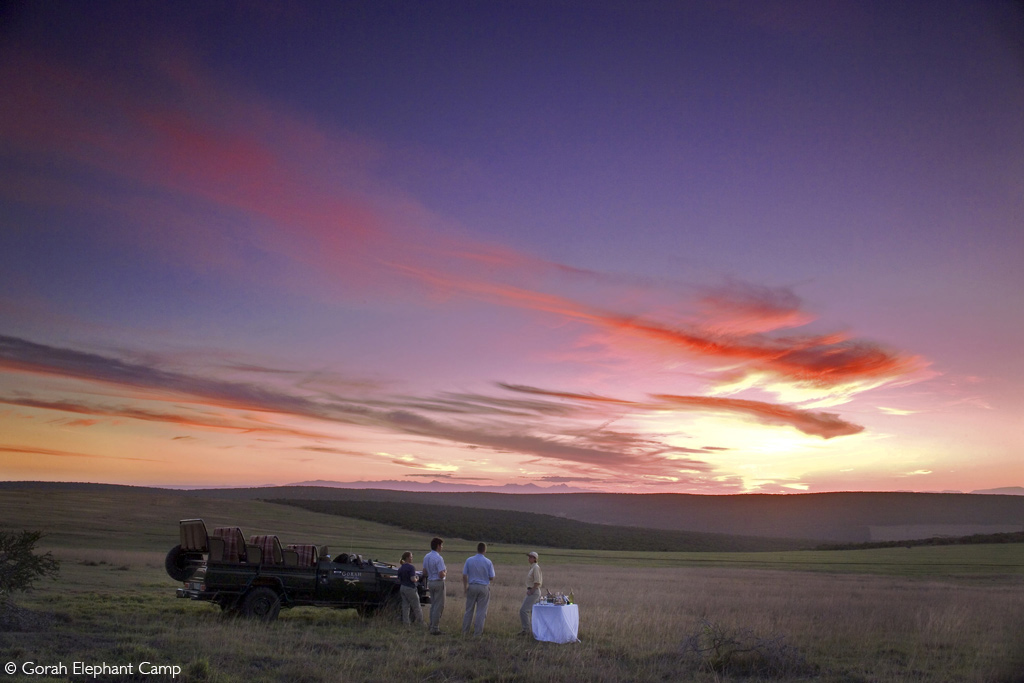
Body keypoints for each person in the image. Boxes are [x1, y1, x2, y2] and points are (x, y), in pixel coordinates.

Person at [461, 542, 495, 636]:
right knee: (481, 611)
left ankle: (465, 631)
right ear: (485, 550)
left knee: (469, 610)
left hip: (472, 586)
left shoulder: (469, 560)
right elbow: (492, 577)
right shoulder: (488, 562)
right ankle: (477, 633)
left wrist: (465, 587)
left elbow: (464, 575)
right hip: (483, 587)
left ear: (477, 549)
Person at [423, 537, 447, 635]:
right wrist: (445, 572)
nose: (442, 547)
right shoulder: (438, 558)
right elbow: (441, 574)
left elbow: (424, 572)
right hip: (438, 582)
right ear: (438, 546)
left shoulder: (426, 556)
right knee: (439, 606)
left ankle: (431, 625)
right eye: (441, 545)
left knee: (433, 605)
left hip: (430, 582)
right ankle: (435, 628)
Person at [397, 551, 424, 627]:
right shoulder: (411, 567)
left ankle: (406, 623)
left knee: (405, 606)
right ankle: (421, 623)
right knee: (416, 606)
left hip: (402, 588)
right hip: (410, 588)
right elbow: (412, 579)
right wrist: (417, 578)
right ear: (407, 558)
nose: (412, 558)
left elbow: (399, 579)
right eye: (411, 557)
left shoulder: (401, 568)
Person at [519, 551, 543, 635]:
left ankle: (526, 630)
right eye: (529, 557)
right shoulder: (532, 567)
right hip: (533, 590)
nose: (529, 558)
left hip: (534, 591)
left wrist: (532, 590)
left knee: (523, 610)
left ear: (534, 559)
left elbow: (537, 581)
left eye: (530, 557)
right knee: (533, 612)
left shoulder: (536, 568)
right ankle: (534, 630)